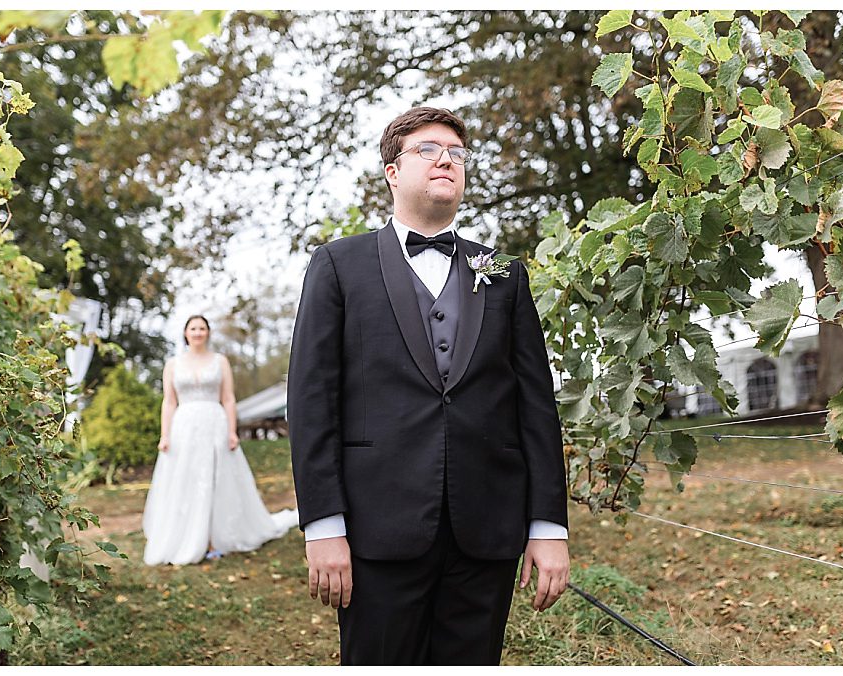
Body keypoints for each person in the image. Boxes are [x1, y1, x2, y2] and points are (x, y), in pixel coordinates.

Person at [288, 106, 570, 665]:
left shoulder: (505, 274)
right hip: (375, 529)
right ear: (392, 171)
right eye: (428, 149)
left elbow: (536, 407)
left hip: (487, 529)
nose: (447, 159)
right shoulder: (339, 266)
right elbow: (312, 403)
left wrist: (548, 527)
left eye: (457, 153)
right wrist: (323, 526)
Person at [142, 315, 298, 565]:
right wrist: (165, 434)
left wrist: (232, 431)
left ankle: (215, 538)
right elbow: (169, 401)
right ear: (185, 333)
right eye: (193, 328)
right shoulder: (172, 364)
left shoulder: (220, 361)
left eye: (202, 328)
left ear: (208, 333)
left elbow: (228, 399)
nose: (197, 332)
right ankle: (187, 536)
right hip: (184, 426)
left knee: (214, 479)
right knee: (186, 479)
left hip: (214, 423)